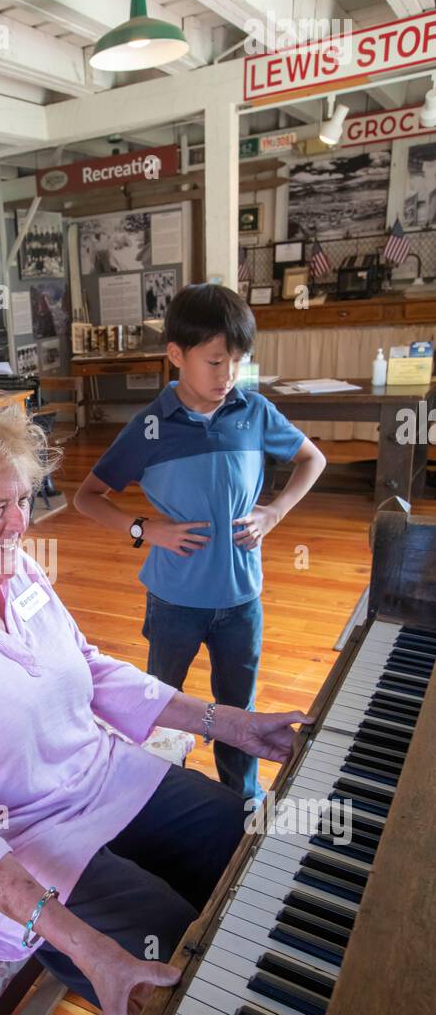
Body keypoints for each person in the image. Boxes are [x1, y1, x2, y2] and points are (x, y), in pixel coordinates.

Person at [0, 404, 310, 1015]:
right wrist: (81, 944)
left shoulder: (4, 561)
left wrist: (225, 722)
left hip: (94, 775)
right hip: (5, 840)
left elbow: (87, 666)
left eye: (22, 499)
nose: (19, 523)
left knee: (259, 849)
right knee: (178, 952)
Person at [74, 282, 326, 803]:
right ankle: (168, 798)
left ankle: (242, 802)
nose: (227, 375)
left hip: (241, 603)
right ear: (175, 356)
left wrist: (275, 510)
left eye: (236, 361)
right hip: (174, 604)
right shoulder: (149, 426)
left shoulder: (253, 412)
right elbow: (88, 497)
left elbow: (312, 459)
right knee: (162, 706)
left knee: (239, 706)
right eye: (214, 361)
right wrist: (146, 529)